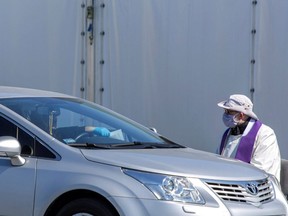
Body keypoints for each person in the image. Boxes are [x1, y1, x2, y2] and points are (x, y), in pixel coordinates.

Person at [217, 94, 281, 182]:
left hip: (258, 189)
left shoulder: (264, 134)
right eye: (225, 111)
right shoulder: (227, 134)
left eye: (229, 112)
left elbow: (261, 171)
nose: (225, 115)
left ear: (241, 115)